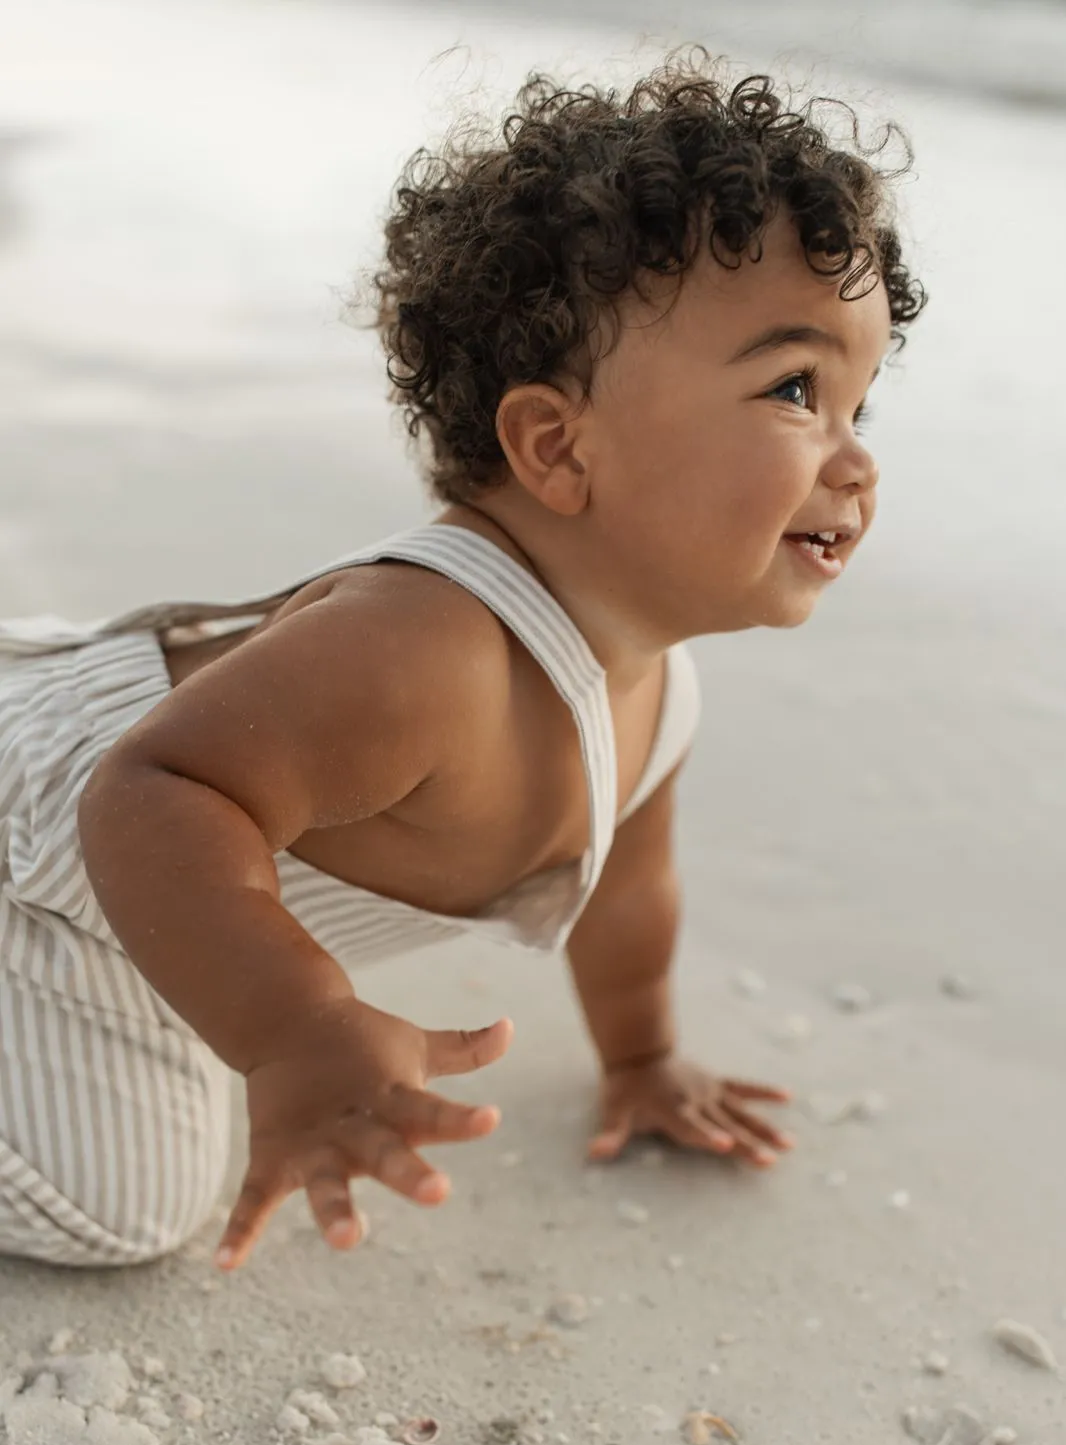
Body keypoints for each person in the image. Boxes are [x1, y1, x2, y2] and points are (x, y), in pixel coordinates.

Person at [0, 49, 925, 1272]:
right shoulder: (427, 649)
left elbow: (628, 890)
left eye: (862, 403)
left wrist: (641, 1057)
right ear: (555, 445)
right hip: (57, 868)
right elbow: (156, 791)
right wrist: (295, 1025)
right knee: (126, 1210)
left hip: (165, 911)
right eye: (796, 388)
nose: (855, 461)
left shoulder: (653, 692)